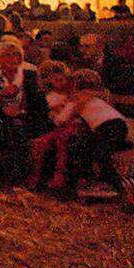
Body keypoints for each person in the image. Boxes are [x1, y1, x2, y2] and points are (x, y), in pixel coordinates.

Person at [0, 40, 51, 184]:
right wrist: (0, 100)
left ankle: (17, 175)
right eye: (7, 55)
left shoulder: (30, 76)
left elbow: (40, 103)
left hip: (27, 116)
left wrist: (21, 111)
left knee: (17, 126)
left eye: (16, 55)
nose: (13, 59)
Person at [64, 69, 130, 197]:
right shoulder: (94, 96)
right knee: (92, 150)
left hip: (108, 125)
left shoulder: (77, 100)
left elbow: (63, 119)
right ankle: (103, 183)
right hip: (116, 124)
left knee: (100, 154)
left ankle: (117, 186)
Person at [27, 60, 82, 191]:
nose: (59, 83)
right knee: (42, 142)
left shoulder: (73, 96)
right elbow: (50, 114)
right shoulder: (48, 96)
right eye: (55, 80)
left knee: (62, 140)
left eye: (61, 79)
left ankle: (59, 178)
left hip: (70, 126)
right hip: (56, 126)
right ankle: (35, 179)